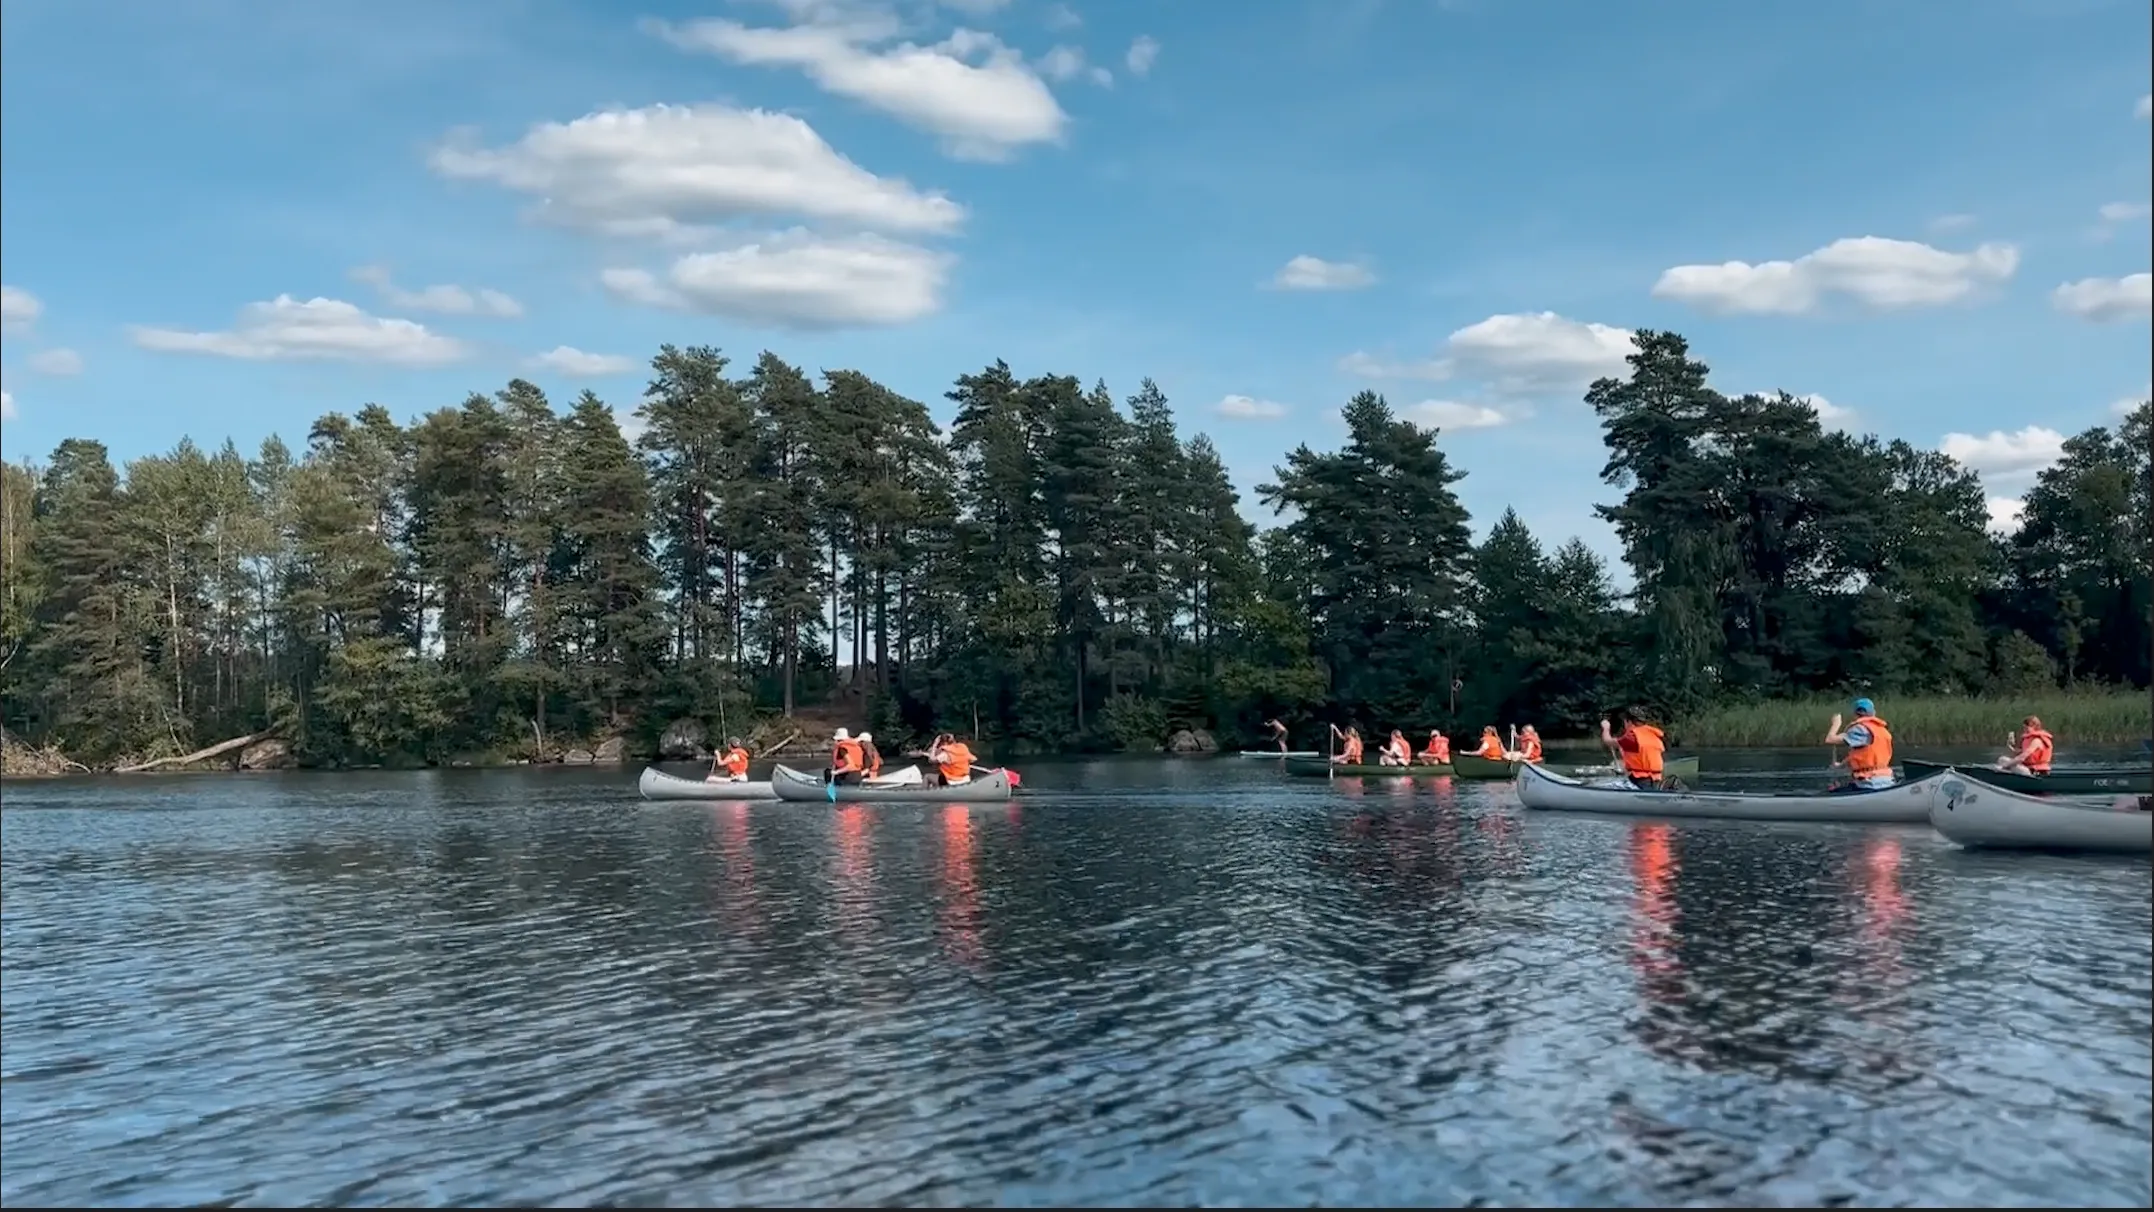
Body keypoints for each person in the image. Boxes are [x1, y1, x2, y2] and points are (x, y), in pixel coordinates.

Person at [1824, 697, 1895, 791]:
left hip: (1869, 783)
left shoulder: (1860, 729)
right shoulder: (1882, 730)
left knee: (1833, 791)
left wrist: (1836, 723)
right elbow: (1861, 755)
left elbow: (1830, 739)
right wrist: (1840, 765)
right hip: (1887, 780)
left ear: (1855, 714)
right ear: (1873, 712)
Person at [1601, 710, 1667, 789]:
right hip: (1656, 778)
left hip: (1639, 779)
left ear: (1629, 721)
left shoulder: (1632, 736)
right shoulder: (1654, 735)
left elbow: (1608, 741)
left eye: (1624, 722)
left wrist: (1606, 728)